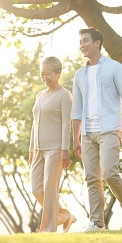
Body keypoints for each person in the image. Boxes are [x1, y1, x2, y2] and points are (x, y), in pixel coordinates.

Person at [72, 27, 122, 232]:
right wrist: (75, 139)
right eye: (80, 41)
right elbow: (77, 108)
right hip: (87, 134)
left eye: (86, 41)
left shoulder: (114, 67)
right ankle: (97, 223)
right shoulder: (79, 74)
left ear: (97, 43)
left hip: (109, 128)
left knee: (110, 173)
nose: (82, 45)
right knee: (92, 178)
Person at [29, 56, 77, 233]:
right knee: (36, 188)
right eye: (42, 74)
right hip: (39, 149)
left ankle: (47, 230)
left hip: (56, 148)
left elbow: (66, 124)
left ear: (58, 73)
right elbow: (35, 123)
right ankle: (64, 216)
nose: (45, 78)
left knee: (50, 189)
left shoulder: (65, 95)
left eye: (48, 74)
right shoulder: (40, 95)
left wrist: (65, 149)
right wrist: (31, 149)